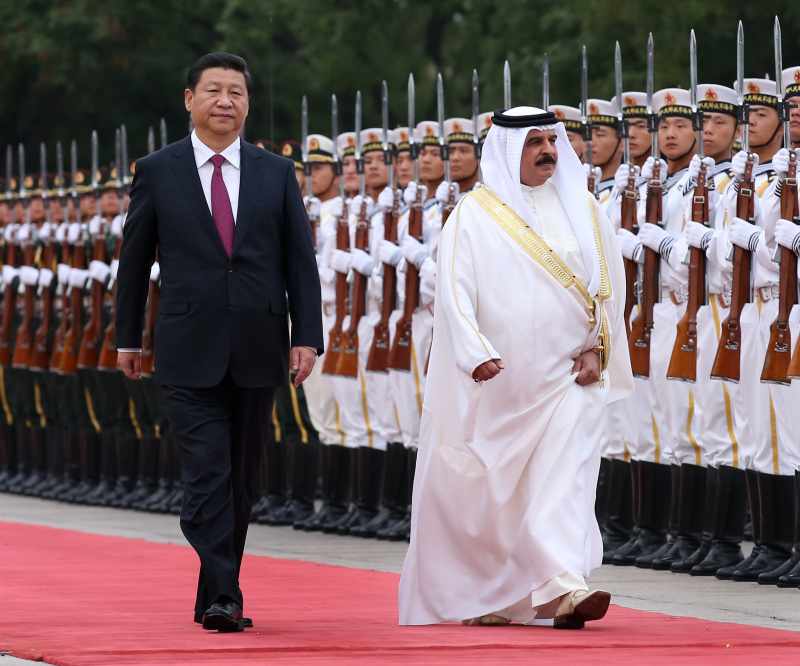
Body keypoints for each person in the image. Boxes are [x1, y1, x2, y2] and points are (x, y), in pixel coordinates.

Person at [399, 106, 633, 628]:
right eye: (534, 143)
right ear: (508, 150)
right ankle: (497, 593)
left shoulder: (585, 208)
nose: (548, 150)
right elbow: (452, 292)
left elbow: (607, 286)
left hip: (571, 376)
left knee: (566, 480)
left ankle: (565, 587)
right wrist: (473, 351)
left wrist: (600, 345)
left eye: (552, 140)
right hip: (503, 382)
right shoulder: (475, 214)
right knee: (496, 493)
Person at [115, 52, 323, 632]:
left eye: (236, 92)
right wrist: (126, 337)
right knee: (206, 473)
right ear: (190, 99)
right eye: (213, 91)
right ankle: (227, 592)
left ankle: (214, 594)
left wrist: (307, 335)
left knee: (241, 477)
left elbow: (299, 261)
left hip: (259, 344)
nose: (225, 101)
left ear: (248, 104)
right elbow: (133, 262)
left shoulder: (275, 172)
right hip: (185, 346)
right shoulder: (158, 170)